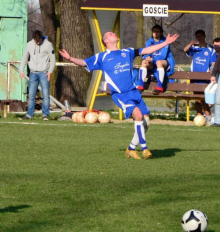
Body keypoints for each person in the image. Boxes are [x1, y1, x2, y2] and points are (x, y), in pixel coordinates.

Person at [59, 31, 179, 159]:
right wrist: (70, 58)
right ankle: (144, 148)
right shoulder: (102, 57)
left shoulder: (127, 52)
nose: (114, 33)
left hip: (134, 92)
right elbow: (83, 63)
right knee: (138, 115)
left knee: (146, 123)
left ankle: (131, 148)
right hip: (121, 95)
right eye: (110, 33)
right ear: (106, 41)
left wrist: (165, 43)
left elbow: (147, 50)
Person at [19, 30, 56, 120]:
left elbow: (53, 59)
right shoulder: (29, 45)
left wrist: (50, 71)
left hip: (44, 73)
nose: (38, 42)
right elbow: (25, 57)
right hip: (33, 73)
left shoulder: (48, 45)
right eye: (36, 41)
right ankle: (29, 114)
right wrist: (21, 70)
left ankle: (45, 114)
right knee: (31, 95)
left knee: (45, 94)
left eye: (39, 40)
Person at [184, 29, 217, 118]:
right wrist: (190, 44)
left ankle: (208, 115)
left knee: (204, 98)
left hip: (205, 77)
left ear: (204, 36)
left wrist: (211, 71)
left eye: (200, 36)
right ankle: (199, 115)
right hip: (195, 77)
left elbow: (213, 63)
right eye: (197, 36)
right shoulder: (195, 48)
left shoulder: (210, 49)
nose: (199, 38)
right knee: (197, 98)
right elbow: (185, 50)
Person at [137, 25, 176, 94]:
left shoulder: (165, 41)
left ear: (161, 33)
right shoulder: (149, 41)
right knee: (144, 62)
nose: (155, 33)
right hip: (153, 63)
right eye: (154, 31)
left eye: (157, 31)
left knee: (159, 62)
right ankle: (141, 86)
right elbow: (146, 51)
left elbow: (163, 56)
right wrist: (147, 58)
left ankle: (159, 87)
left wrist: (152, 59)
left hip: (165, 62)